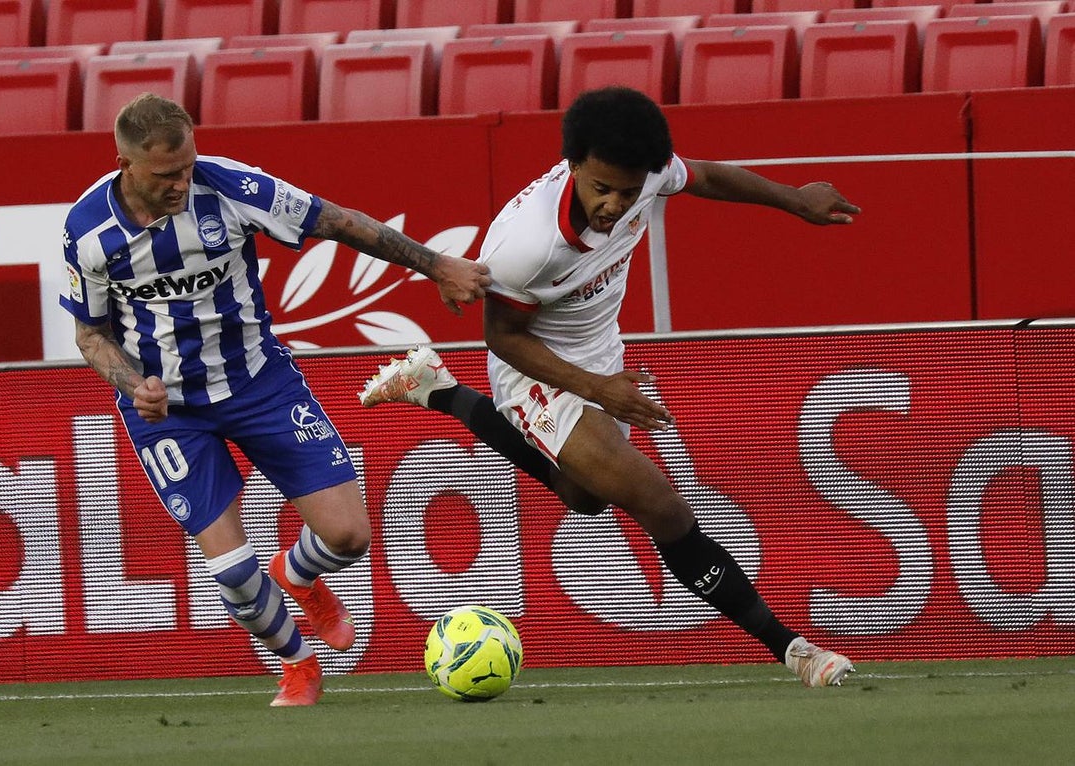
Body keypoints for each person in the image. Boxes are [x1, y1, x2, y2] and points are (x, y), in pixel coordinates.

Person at [360, 86, 861, 687]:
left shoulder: (643, 174)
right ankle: (795, 649)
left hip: (601, 355)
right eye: (602, 189)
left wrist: (793, 199)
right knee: (662, 504)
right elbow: (504, 338)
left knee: (585, 497)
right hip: (536, 369)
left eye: (627, 192)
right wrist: (597, 389)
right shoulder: (527, 246)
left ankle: (439, 390)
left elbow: (704, 176)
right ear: (573, 165)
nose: (615, 205)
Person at [61, 93, 491, 706]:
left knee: (348, 537)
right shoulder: (88, 231)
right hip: (169, 412)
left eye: (187, 165)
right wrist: (135, 385)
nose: (182, 182)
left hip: (260, 384)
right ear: (126, 162)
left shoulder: (231, 187)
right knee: (232, 570)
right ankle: (298, 663)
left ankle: (298, 575)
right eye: (165, 175)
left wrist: (435, 263)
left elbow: (337, 221)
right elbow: (89, 332)